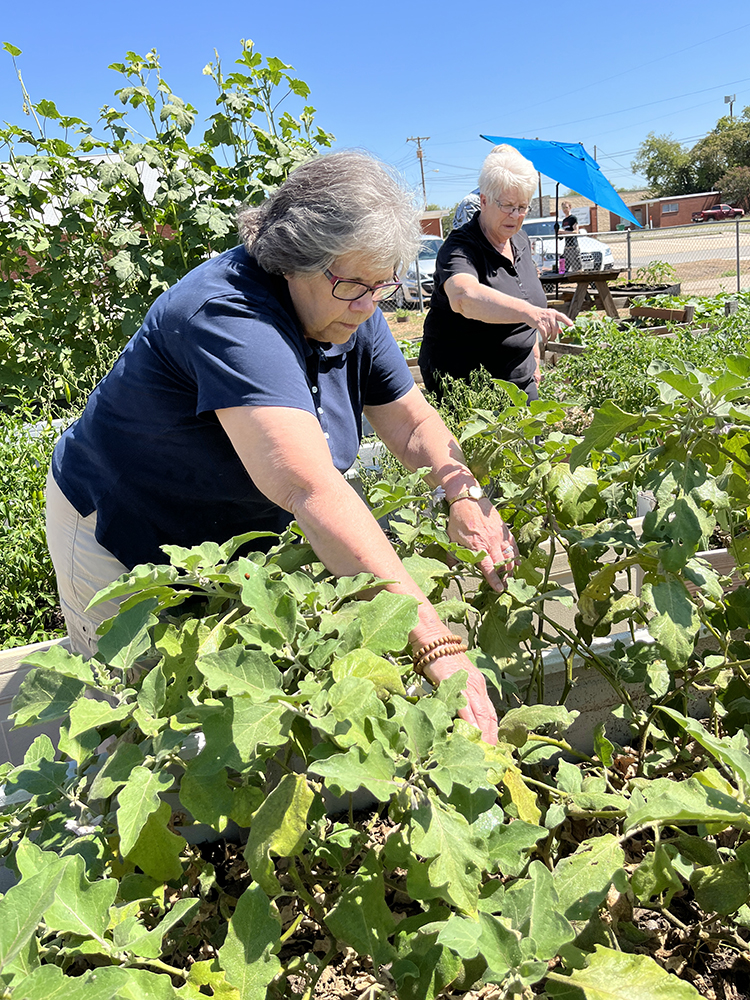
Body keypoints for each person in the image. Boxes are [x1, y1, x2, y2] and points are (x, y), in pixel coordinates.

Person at [46, 150, 519, 745]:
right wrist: (435, 641)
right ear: (295, 260)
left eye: (381, 285)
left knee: (235, 708)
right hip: (120, 530)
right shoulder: (231, 314)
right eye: (355, 286)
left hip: (229, 535)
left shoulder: (351, 297)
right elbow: (308, 486)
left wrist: (464, 491)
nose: (370, 305)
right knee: (136, 719)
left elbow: (411, 422)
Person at [418, 145, 574, 401]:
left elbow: (524, 294)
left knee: (532, 440)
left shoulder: (520, 240)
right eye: (508, 206)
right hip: (466, 387)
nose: (516, 215)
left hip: (518, 378)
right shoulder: (460, 246)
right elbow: (463, 297)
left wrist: (532, 346)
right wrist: (532, 314)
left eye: (523, 207)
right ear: (484, 201)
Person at [560, 199, 581, 272]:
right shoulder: (564, 221)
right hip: (566, 247)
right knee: (563, 267)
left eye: (566, 207)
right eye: (563, 208)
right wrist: (559, 233)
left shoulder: (573, 218)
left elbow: (576, 232)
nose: (564, 210)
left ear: (570, 207)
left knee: (577, 268)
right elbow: (562, 237)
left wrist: (564, 232)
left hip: (573, 246)